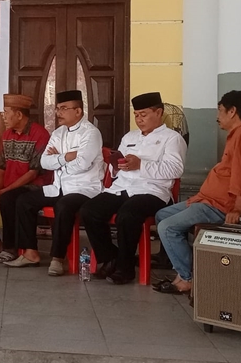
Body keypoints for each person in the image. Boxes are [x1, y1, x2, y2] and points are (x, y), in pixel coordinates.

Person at [154, 90, 241, 295]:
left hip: (220, 205)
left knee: (167, 228)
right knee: (163, 214)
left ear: (232, 111)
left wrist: (238, 208)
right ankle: (183, 268)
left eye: (220, 111)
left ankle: (189, 278)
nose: (218, 116)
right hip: (209, 200)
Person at [80, 92, 187, 284]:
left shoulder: (172, 138)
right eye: (136, 115)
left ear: (159, 112)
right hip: (122, 187)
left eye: (144, 114)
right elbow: (117, 170)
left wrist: (141, 165)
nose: (139, 119)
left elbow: (175, 169)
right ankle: (111, 257)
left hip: (152, 191)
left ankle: (125, 268)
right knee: (89, 210)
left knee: (127, 214)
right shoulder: (130, 136)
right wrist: (116, 166)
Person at [3, 90, 104, 276]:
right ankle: (30, 252)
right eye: (57, 108)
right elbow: (44, 162)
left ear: (78, 111)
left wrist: (57, 159)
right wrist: (67, 157)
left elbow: (82, 165)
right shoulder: (58, 133)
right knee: (24, 201)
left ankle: (57, 258)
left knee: (64, 206)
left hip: (83, 189)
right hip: (58, 186)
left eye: (64, 109)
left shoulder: (91, 133)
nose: (58, 113)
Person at [0, 94, 51, 258]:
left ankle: (10, 248)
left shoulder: (40, 134)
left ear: (19, 115)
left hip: (33, 186)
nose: (3, 117)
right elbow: (2, 167)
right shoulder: (7, 135)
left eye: (6, 112)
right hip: (8, 185)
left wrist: (3, 192)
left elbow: (33, 172)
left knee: (8, 198)